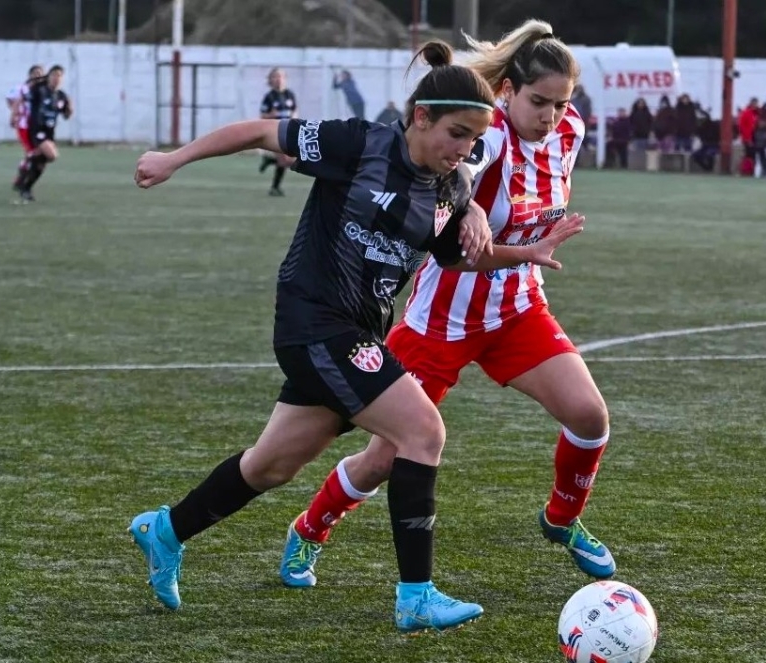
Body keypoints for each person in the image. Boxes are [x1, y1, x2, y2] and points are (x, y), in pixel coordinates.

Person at [127, 41, 584, 632]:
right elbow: (259, 132)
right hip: (314, 321)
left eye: (474, 140)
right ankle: (415, 596)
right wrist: (174, 158)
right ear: (420, 117)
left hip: (356, 331)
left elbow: (455, 258)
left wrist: (524, 252)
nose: (465, 151)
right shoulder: (360, 143)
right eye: (457, 134)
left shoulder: (444, 188)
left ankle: (164, 530)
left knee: (270, 466)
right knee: (422, 432)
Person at [278, 20, 617, 597]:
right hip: (442, 320)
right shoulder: (484, 139)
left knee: (590, 418)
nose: (551, 115)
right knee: (388, 455)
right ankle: (311, 527)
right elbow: (440, 164)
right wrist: (472, 208)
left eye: (562, 104)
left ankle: (560, 519)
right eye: (539, 101)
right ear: (507, 92)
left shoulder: (569, 133)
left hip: (516, 308)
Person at [13, 65, 72, 203]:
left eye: (59, 76)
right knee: (52, 155)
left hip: (50, 133)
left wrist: (70, 108)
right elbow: (22, 98)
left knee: (41, 163)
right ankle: (23, 177)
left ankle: (25, 186)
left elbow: (66, 115)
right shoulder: (39, 90)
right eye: (54, 75)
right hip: (36, 130)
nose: (56, 78)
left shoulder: (61, 96)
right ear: (49, 76)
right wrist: (14, 114)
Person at [257, 67, 298, 196]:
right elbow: (263, 116)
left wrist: (295, 119)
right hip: (274, 132)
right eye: (275, 77)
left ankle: (269, 163)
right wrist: (271, 115)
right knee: (285, 161)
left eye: (280, 77)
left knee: (286, 161)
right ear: (271, 80)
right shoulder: (269, 97)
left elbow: (295, 111)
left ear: (285, 79)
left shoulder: (289, 95)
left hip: (287, 131)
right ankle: (275, 187)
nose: (278, 80)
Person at [7, 65, 45, 186]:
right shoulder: (22, 88)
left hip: (37, 126)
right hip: (24, 125)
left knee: (33, 154)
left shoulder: (43, 90)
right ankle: (22, 179)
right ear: (30, 75)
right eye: (35, 73)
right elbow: (9, 98)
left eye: (40, 73)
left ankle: (21, 176)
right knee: (32, 152)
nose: (38, 75)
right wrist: (14, 113)